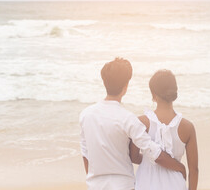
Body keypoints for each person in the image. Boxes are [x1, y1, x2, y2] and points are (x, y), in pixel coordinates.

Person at [79, 58, 186, 190]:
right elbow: (153, 151)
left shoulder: (86, 114)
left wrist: (94, 181)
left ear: (105, 83)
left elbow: (85, 154)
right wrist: (179, 167)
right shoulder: (128, 118)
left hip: (95, 186)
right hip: (123, 186)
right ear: (126, 87)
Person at [130, 70, 199, 190]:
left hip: (147, 184)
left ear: (154, 95)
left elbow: (133, 156)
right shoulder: (187, 127)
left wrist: (150, 159)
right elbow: (194, 170)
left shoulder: (142, 122)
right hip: (176, 184)